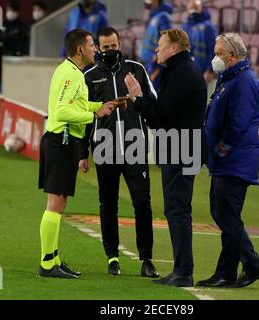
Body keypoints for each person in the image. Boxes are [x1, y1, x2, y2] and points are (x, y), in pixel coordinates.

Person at [38, 29, 125, 279]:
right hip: (62, 142)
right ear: (80, 50)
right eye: (91, 46)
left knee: (59, 202)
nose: (95, 49)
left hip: (61, 142)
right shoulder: (72, 75)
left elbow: (75, 104)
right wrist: (93, 115)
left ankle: (53, 258)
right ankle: (47, 264)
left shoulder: (70, 71)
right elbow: (62, 112)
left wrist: (102, 105)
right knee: (55, 203)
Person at [125, 29, 207, 287]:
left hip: (181, 150)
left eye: (160, 46)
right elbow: (164, 112)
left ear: (174, 47)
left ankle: (183, 271)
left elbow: (161, 117)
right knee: (177, 209)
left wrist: (138, 98)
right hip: (182, 148)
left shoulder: (182, 74)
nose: (155, 51)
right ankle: (181, 269)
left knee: (177, 210)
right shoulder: (181, 71)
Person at [80, 27, 159, 278]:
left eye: (114, 45)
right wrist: (83, 152)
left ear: (119, 44)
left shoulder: (137, 69)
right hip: (104, 146)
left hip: (135, 145)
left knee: (142, 203)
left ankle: (146, 259)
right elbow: (84, 117)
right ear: (99, 49)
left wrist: (139, 103)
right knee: (108, 204)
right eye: (105, 47)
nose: (111, 50)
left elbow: (153, 102)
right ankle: (112, 258)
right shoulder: (89, 76)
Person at [199, 33, 259, 288]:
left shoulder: (243, 82)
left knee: (228, 216)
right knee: (222, 213)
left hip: (235, 159)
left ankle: (248, 266)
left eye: (218, 53)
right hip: (228, 160)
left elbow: (239, 122)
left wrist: (221, 148)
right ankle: (236, 269)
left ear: (232, 55)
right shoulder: (230, 78)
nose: (214, 58)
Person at [139, 0, 172, 91]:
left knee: (154, 92)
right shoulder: (153, 16)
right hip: (148, 63)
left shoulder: (163, 17)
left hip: (155, 64)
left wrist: (157, 56)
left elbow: (166, 38)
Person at [182, 0, 217, 84]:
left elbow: (213, 50)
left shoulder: (208, 27)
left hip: (202, 71)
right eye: (191, 7)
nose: (193, 10)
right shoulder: (185, 26)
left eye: (195, 7)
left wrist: (210, 70)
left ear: (201, 7)